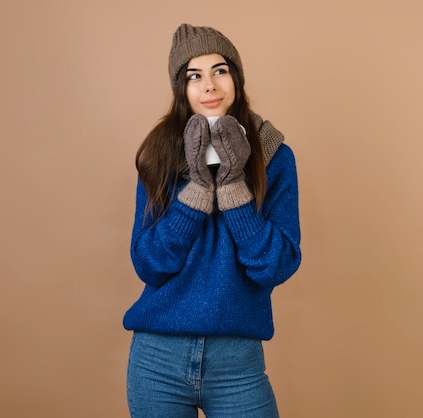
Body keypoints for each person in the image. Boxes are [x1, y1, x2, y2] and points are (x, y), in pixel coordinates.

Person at [123, 23, 302, 418]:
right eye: (194, 75)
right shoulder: (159, 154)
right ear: (181, 89)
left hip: (237, 362)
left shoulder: (275, 156)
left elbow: (276, 265)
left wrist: (235, 188)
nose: (209, 86)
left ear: (235, 77)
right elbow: (149, 264)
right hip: (158, 358)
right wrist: (197, 194)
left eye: (219, 70)